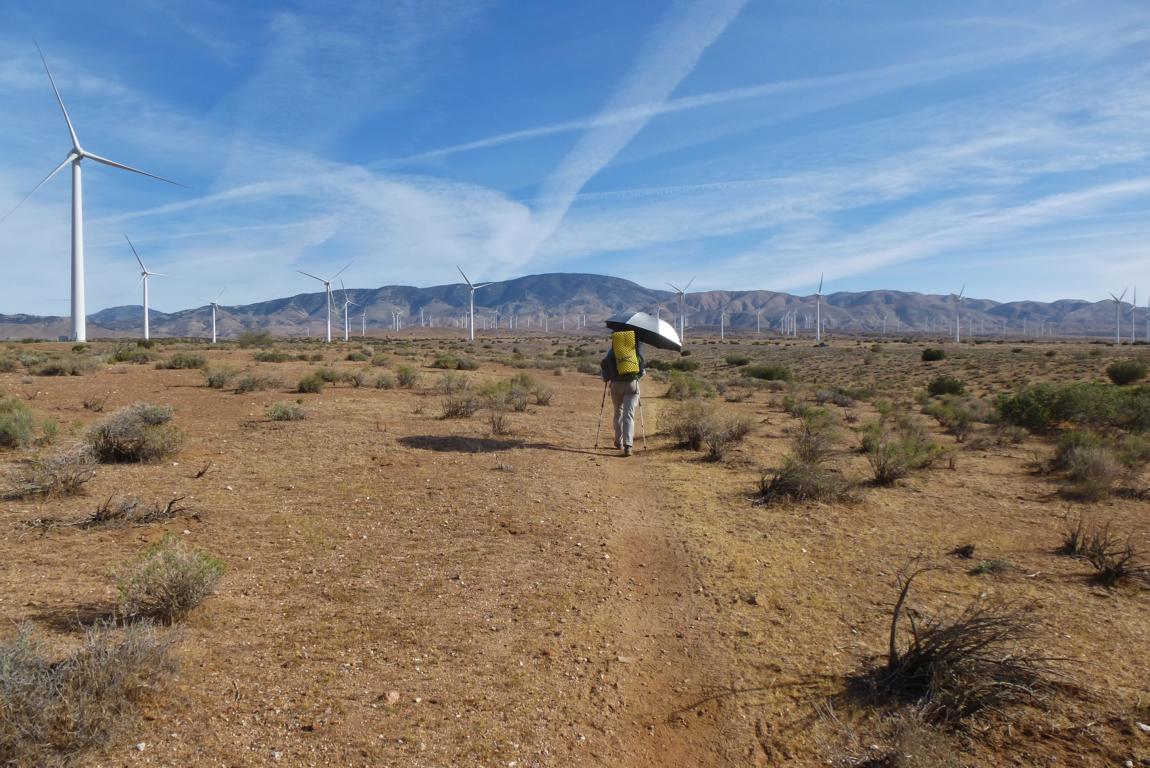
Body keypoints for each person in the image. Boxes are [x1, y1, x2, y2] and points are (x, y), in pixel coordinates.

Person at [600, 331, 645, 456]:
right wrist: (637, 377)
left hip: (616, 386)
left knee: (617, 413)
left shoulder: (612, 351)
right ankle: (628, 445)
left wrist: (606, 378)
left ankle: (618, 441)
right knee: (629, 415)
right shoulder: (635, 350)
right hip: (632, 385)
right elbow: (642, 371)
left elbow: (605, 370)